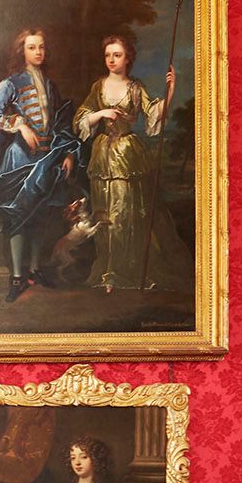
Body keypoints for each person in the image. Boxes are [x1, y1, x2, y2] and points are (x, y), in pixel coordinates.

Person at [75, 33, 180, 293]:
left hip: (127, 154)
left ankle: (128, 273)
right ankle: (108, 272)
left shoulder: (136, 88)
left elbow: (154, 115)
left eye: (117, 54)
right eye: (108, 55)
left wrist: (170, 90)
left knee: (126, 214)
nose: (111, 59)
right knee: (104, 214)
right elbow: (81, 118)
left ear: (128, 58)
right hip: (102, 157)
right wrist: (101, 113)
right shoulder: (98, 87)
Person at [0, 27, 80, 303]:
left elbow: (61, 124)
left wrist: (68, 153)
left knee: (41, 215)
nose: (38, 52)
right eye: (32, 47)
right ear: (21, 51)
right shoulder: (10, 84)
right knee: (18, 215)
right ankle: (16, 276)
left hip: (48, 157)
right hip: (21, 159)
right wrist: (20, 124)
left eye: (41, 48)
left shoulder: (50, 85)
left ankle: (35, 271)